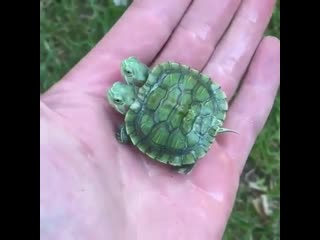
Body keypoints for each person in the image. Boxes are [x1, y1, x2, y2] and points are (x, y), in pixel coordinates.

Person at [40, 0, 280, 239]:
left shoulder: (136, 120)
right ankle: (187, 159)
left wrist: (122, 134)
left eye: (130, 71)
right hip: (198, 107)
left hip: (190, 118)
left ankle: (187, 160)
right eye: (118, 96)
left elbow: (129, 134)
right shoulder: (162, 76)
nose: (126, 69)